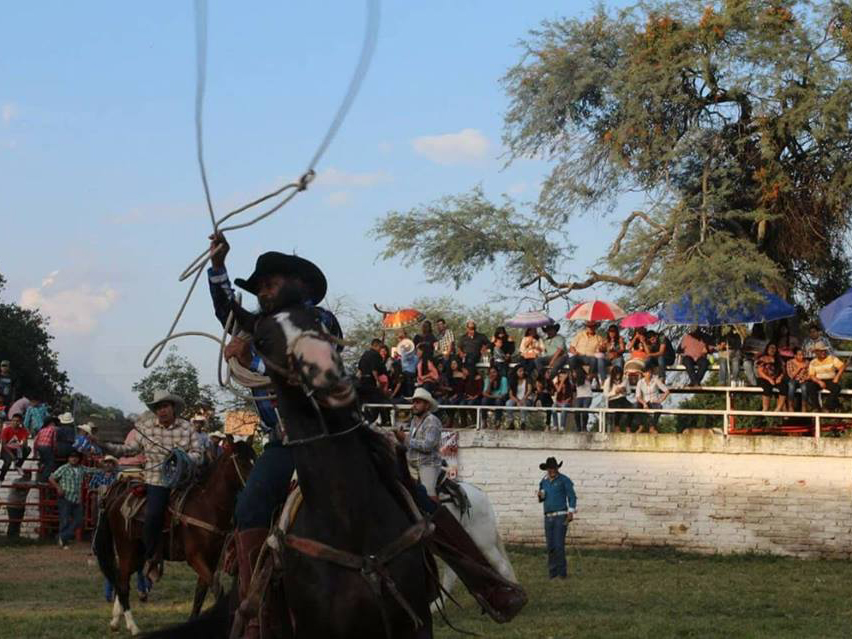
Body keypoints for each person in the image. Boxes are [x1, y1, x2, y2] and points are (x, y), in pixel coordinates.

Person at [206, 233, 350, 638]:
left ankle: (485, 579)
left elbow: (299, 363)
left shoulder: (317, 319)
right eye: (259, 288)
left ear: (298, 285)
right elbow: (228, 312)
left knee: (400, 481)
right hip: (285, 442)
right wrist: (218, 267)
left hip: (331, 435)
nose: (263, 293)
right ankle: (255, 607)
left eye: (269, 284)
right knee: (250, 506)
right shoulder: (262, 326)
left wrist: (247, 353)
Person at [92, 390, 204, 580]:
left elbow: (198, 454)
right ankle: (152, 557)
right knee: (153, 514)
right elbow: (129, 449)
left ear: (172, 407)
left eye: (165, 407)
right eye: (158, 408)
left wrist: (183, 457)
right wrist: (106, 447)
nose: (162, 411)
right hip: (157, 480)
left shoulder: (187, 428)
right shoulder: (146, 428)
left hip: (184, 481)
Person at [394, 387, 442, 507]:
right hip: (412, 464)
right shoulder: (415, 420)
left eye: (418, 402)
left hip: (428, 464)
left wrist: (405, 439)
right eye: (413, 402)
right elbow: (411, 443)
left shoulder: (432, 421)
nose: (414, 405)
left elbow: (427, 446)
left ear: (427, 405)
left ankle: (437, 520)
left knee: (429, 494)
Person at [48, 449, 100, 548]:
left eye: (76, 457)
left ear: (78, 459)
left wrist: (103, 468)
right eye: (72, 457)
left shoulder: (81, 468)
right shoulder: (64, 468)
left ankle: (62, 537)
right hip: (65, 497)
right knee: (65, 520)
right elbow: (51, 478)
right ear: (68, 459)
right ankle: (63, 542)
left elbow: (92, 470)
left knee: (79, 521)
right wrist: (58, 487)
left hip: (77, 498)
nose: (74, 459)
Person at [536, 457, 577, 579]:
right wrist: (540, 496)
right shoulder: (543, 482)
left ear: (557, 468)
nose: (552, 470)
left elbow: (572, 497)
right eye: (550, 468)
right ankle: (552, 573)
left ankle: (562, 573)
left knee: (559, 545)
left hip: (561, 515)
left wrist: (570, 512)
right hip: (548, 517)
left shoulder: (564, 480)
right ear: (547, 469)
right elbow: (542, 498)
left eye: (554, 468)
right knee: (550, 546)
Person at [806, 342, 846, 412]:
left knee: (836, 388)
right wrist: (819, 382)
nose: (823, 352)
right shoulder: (813, 362)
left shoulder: (832, 358)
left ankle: (827, 406)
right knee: (810, 386)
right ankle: (816, 408)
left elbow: (842, 366)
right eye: (821, 351)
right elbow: (811, 375)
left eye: (824, 350)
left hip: (830, 379)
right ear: (816, 352)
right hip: (818, 380)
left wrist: (837, 376)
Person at [635, 363, 670, 433]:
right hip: (644, 402)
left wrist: (660, 400)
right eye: (647, 372)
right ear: (643, 373)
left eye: (650, 372)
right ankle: (641, 426)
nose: (649, 374)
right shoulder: (640, 382)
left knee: (659, 407)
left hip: (654, 402)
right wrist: (644, 403)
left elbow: (667, 391)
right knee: (636, 406)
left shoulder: (655, 380)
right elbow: (638, 396)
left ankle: (652, 427)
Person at [755, 343, 786, 411]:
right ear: (767, 349)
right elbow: (760, 372)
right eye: (771, 348)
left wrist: (780, 377)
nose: (772, 350)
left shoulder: (779, 359)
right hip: (764, 378)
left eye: (774, 348)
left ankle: (778, 409)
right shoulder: (762, 358)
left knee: (784, 387)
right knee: (767, 387)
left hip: (776, 378)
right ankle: (765, 408)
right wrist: (769, 379)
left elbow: (783, 371)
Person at [0, 412, 30, 482]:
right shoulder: (6, 430)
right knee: (8, 462)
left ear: (20, 422)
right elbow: (3, 445)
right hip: (6, 450)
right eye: (13, 420)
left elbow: (24, 443)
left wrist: (23, 443)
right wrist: (11, 455)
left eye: (17, 421)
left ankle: (18, 465)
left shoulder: (23, 430)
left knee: (28, 449)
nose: (15, 422)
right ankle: (1, 477)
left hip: (16, 449)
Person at [603, 366, 634, 432]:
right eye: (617, 374)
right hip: (612, 400)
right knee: (618, 408)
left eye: (620, 374)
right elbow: (605, 395)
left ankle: (628, 426)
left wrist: (624, 390)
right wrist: (615, 392)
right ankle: (616, 427)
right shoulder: (608, 381)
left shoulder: (625, 379)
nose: (618, 376)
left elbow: (629, 392)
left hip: (623, 399)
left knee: (632, 408)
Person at [6, 469, 32, 537]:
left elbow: (36, 483)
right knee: (13, 522)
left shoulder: (29, 482)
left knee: (17, 522)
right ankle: (10, 538)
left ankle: (15, 537)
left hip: (20, 505)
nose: (28, 476)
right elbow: (16, 485)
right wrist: (26, 484)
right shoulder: (17, 480)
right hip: (12, 505)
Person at [33, 415, 59, 482]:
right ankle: (44, 479)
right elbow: (54, 440)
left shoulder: (42, 430)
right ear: (52, 422)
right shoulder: (53, 429)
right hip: (47, 447)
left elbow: (35, 441)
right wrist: (54, 450)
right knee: (51, 464)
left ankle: (40, 472)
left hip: (39, 447)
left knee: (44, 462)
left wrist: (35, 453)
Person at [571, 365, 593, 432]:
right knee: (576, 411)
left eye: (574, 372)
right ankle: (578, 427)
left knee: (585, 411)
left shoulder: (586, 378)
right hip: (579, 397)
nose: (573, 374)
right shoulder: (575, 380)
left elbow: (593, 375)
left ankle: (584, 427)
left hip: (587, 396)